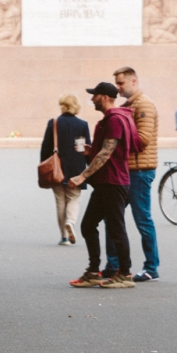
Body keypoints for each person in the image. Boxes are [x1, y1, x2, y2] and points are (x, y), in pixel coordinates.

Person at [68, 83, 139, 289]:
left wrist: (82, 176)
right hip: (106, 182)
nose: (92, 99)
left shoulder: (115, 120)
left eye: (95, 96)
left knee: (116, 228)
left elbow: (107, 154)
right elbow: (106, 151)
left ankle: (125, 273)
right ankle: (93, 271)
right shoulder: (109, 120)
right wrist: (91, 152)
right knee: (89, 225)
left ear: (105, 97)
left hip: (114, 182)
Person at [112, 67, 160, 282]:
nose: (118, 87)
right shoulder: (129, 107)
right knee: (113, 218)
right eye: (117, 83)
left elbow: (142, 140)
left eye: (121, 83)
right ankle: (113, 264)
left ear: (133, 81)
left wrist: (115, 141)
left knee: (142, 220)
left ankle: (151, 267)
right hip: (129, 171)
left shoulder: (144, 106)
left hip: (140, 171)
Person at [40, 93, 91, 245]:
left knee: (60, 201)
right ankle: (71, 222)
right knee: (73, 198)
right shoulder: (82, 125)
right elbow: (84, 148)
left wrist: (44, 166)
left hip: (57, 168)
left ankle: (64, 236)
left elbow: (46, 147)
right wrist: (89, 169)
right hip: (76, 167)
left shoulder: (53, 123)